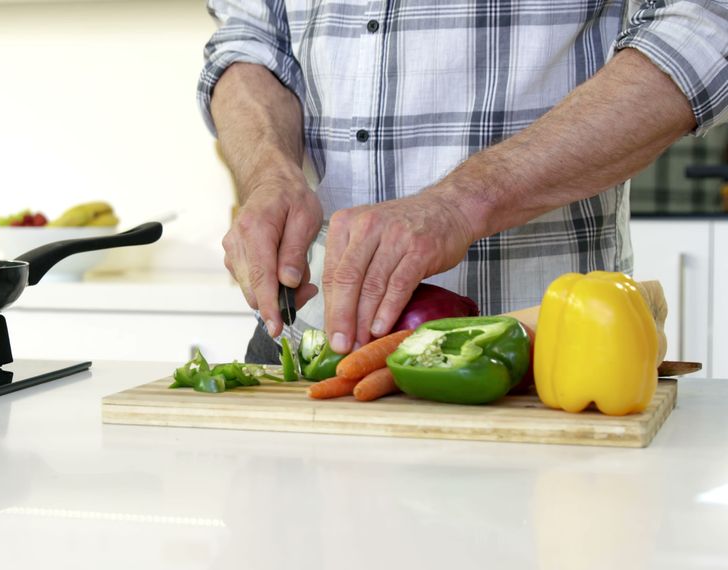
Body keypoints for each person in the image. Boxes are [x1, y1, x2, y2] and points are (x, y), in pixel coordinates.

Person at [196, 0, 728, 363]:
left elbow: (706, 22)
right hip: (304, 346)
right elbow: (251, 40)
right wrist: (269, 173)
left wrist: (464, 202)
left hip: (541, 359)